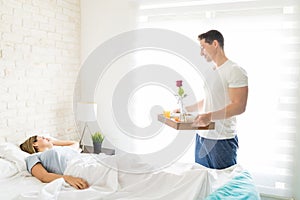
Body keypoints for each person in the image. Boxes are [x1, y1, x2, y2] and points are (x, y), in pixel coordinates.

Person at [178, 30, 248, 169]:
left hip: (221, 140)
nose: (201, 52)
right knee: (202, 180)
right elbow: (211, 99)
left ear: (215, 44)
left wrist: (209, 116)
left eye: (203, 47)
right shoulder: (212, 70)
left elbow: (239, 106)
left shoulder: (234, 70)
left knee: (223, 184)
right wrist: (186, 109)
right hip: (202, 136)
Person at [20, 135, 89, 190]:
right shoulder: (33, 157)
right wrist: (69, 178)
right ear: (35, 144)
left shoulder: (60, 149)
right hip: (76, 168)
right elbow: (43, 176)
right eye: (43, 138)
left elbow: (75, 143)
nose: (47, 138)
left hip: (87, 160)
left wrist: (54, 141)